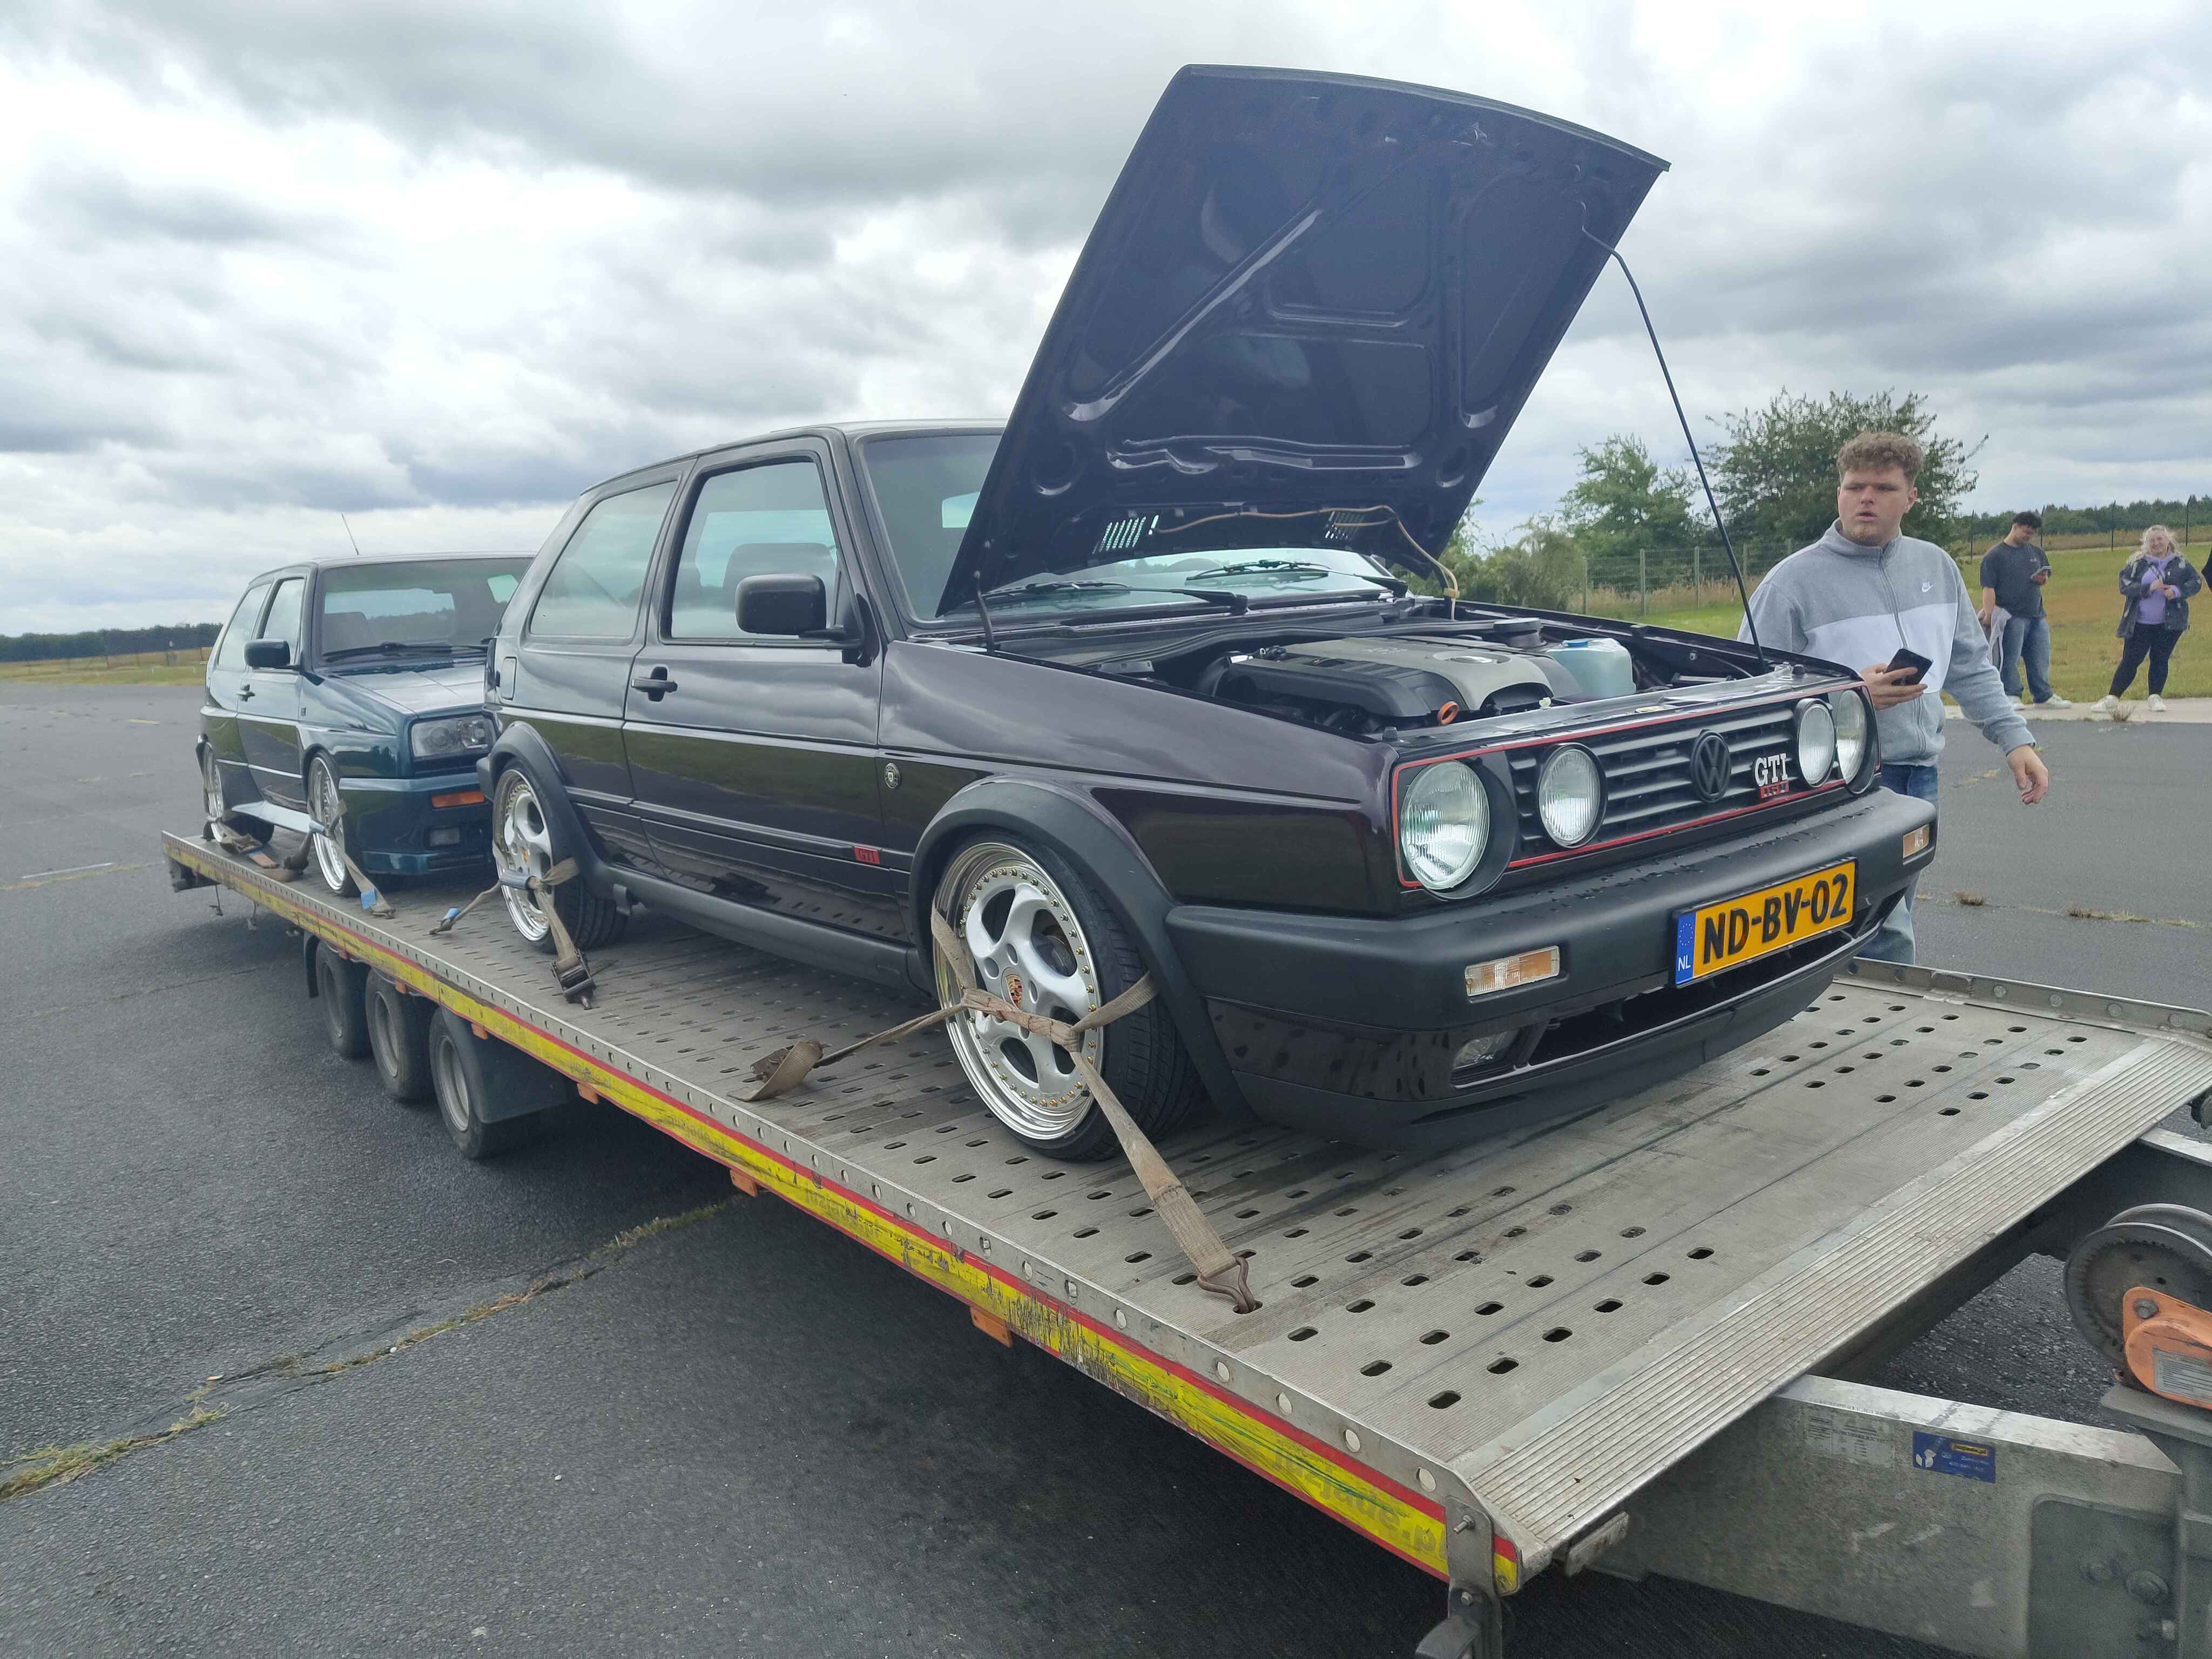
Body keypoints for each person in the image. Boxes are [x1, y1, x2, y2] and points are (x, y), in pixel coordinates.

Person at [1743, 430, 2050, 964]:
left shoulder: (1936, 567)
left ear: (1910, 497)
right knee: (1882, 928)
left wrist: (2015, 740)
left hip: (1919, 774)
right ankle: (1885, 1013)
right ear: (1838, 493)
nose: (1866, 498)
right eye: (1854, 486)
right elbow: (1750, 693)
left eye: (1883, 488)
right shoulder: (1790, 583)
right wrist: (1850, 695)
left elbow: (1969, 665)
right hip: (1842, 780)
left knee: (1890, 909)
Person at [2094, 524, 2202, 714]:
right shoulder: (2138, 564)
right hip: (2140, 623)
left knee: (2160, 659)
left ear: (2168, 540)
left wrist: (2177, 591)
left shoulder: (2181, 564)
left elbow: (2196, 582)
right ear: (2146, 543)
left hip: (2170, 624)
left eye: (2160, 539)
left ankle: (2155, 697)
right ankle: (2112, 698)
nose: (2156, 543)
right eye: (2152, 540)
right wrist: (2148, 588)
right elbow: (2124, 585)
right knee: (2131, 660)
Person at [1978, 510, 2071, 706]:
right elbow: (1988, 587)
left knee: (2040, 657)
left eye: (2032, 533)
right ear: (2016, 526)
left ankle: (2043, 695)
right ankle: (2011, 693)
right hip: (2011, 615)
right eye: (2027, 532)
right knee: (2010, 656)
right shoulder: (1995, 556)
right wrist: (1989, 614)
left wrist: (2043, 579)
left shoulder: (2036, 552)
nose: (2029, 536)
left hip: (2037, 614)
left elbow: (2045, 573)